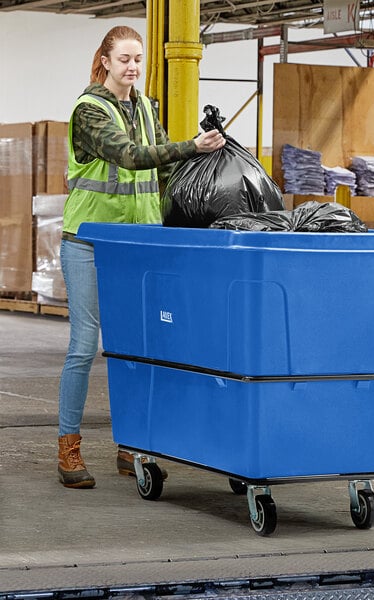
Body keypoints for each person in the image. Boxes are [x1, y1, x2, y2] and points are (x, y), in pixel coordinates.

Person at [58, 25, 225, 489]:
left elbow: (167, 168)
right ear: (106, 61)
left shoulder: (149, 109)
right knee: (84, 345)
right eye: (125, 59)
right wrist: (193, 145)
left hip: (139, 245)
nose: (133, 67)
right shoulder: (88, 111)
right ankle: (68, 445)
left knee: (138, 346)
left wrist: (208, 165)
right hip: (89, 241)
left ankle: (131, 443)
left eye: (138, 59)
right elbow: (129, 156)